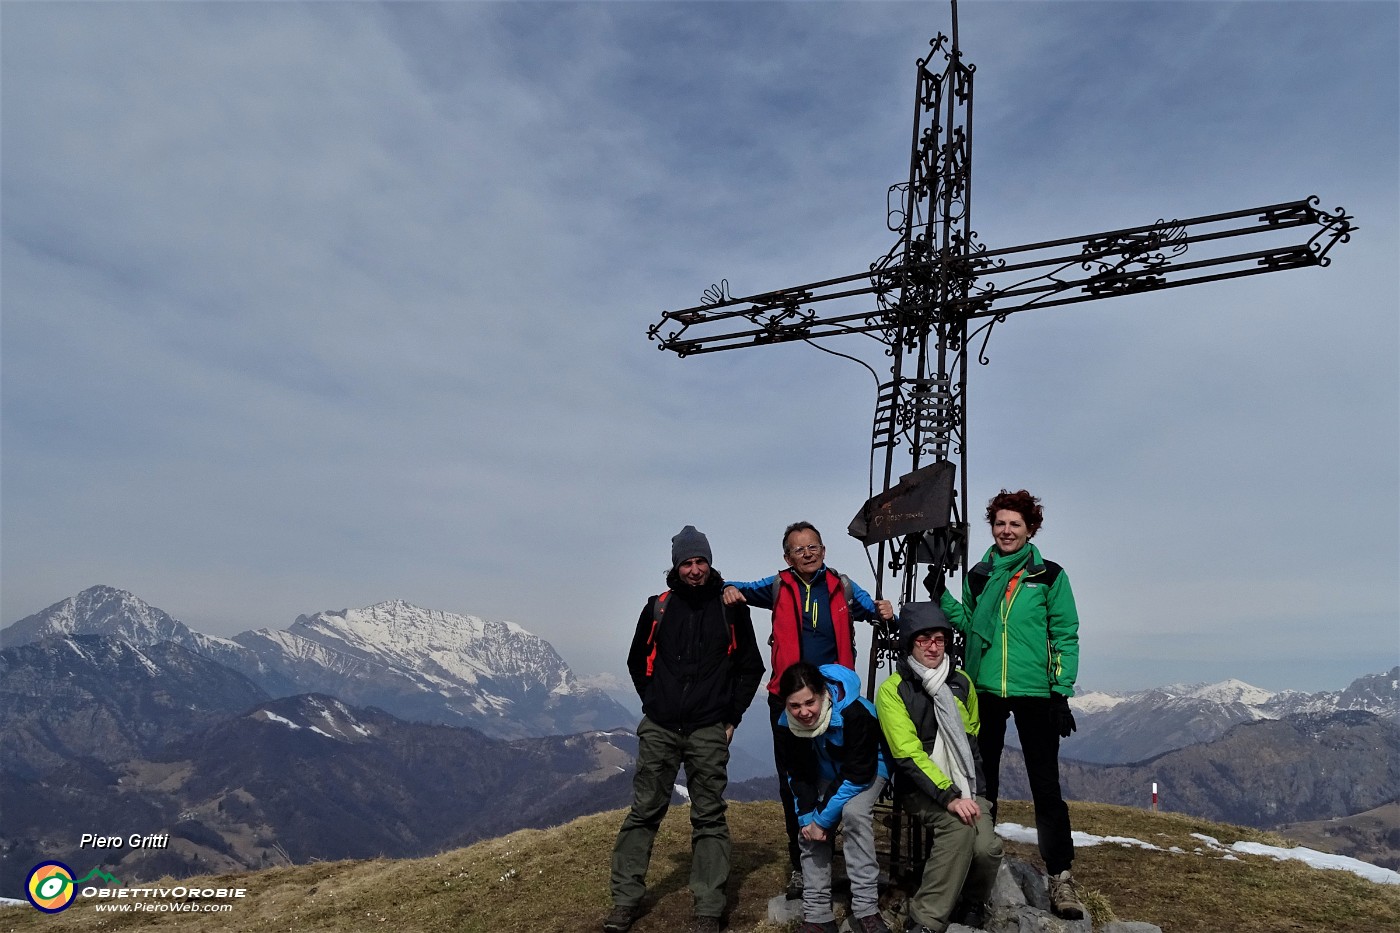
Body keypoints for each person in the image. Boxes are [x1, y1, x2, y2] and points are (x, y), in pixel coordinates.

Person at [605, 526, 766, 933]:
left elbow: (751, 668)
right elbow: (636, 661)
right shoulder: (658, 607)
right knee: (645, 812)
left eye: (700, 561)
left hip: (708, 728)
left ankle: (709, 908)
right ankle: (625, 901)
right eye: (687, 562)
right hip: (660, 726)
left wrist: (731, 717)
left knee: (709, 816)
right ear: (676, 566)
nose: (694, 569)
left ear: (709, 562)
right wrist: (654, 702)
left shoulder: (731, 608)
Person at [722, 520, 895, 897]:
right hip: (788, 700)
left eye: (813, 546)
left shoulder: (843, 587)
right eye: (799, 549)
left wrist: (885, 610)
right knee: (796, 781)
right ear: (787, 556)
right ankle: (804, 863)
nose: (807, 553)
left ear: (824, 550)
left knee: (838, 776)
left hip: (835, 702)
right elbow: (730, 586)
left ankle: (834, 858)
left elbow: (876, 611)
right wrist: (729, 589)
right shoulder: (776, 586)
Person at [937, 489, 1084, 919]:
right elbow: (968, 623)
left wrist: (1061, 691)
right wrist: (941, 595)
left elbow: (1065, 634)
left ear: (1030, 529)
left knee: (1046, 787)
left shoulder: (1050, 576)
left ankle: (1060, 877)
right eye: (1000, 523)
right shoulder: (980, 575)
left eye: (1015, 524)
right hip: (985, 689)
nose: (1006, 530)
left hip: (1035, 691)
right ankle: (981, 873)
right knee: (984, 783)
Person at [875, 603, 1003, 933]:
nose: (933, 646)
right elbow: (907, 755)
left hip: (967, 786)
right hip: (920, 789)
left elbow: (972, 736)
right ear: (909, 643)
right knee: (958, 828)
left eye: (940, 639)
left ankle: (973, 901)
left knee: (988, 848)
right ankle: (926, 919)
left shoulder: (961, 683)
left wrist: (972, 791)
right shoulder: (894, 690)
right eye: (924, 639)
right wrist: (949, 796)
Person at [775, 661, 892, 933]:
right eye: (794, 706)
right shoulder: (785, 725)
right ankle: (817, 916)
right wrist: (808, 819)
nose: (803, 712)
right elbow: (798, 775)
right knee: (807, 825)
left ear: (823, 693)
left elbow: (857, 773)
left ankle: (866, 910)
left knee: (854, 813)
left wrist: (822, 820)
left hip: (869, 769)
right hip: (825, 771)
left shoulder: (855, 712)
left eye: (809, 702)